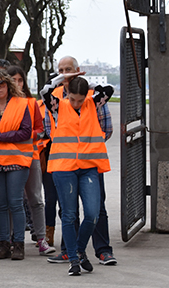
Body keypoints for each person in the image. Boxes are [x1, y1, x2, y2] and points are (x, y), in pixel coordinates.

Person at [44, 56, 118, 266]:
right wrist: (62, 78)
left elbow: (108, 91)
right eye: (61, 70)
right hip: (64, 166)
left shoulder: (91, 101)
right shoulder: (58, 101)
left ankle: (98, 250)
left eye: (68, 70)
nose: (64, 73)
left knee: (95, 210)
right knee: (68, 213)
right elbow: (45, 95)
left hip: (90, 165)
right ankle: (73, 253)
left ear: (77, 71)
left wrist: (85, 83)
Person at [0, 69, 33, 260]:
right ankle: (3, 244)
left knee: (15, 202)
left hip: (17, 161)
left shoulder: (21, 104)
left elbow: (25, 132)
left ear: (8, 85)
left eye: (1, 84)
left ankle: (18, 244)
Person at [6, 66, 56, 256]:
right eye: (13, 80)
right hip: (8, 158)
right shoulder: (0, 104)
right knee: (11, 200)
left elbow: (39, 129)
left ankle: (41, 239)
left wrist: (25, 135)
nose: (17, 84)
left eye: (20, 80)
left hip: (30, 155)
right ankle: (9, 238)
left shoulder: (30, 103)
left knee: (35, 198)